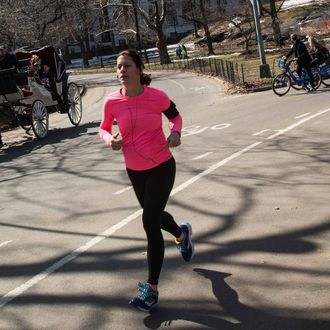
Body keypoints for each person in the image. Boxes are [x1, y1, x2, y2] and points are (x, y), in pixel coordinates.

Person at [99, 49, 194, 312]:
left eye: (127, 66)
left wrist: (176, 133)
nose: (121, 71)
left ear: (139, 69)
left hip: (163, 166)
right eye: (118, 67)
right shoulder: (112, 102)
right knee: (154, 214)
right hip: (135, 170)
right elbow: (104, 128)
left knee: (149, 222)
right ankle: (180, 233)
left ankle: (151, 290)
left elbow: (175, 116)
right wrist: (110, 140)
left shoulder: (157, 97)